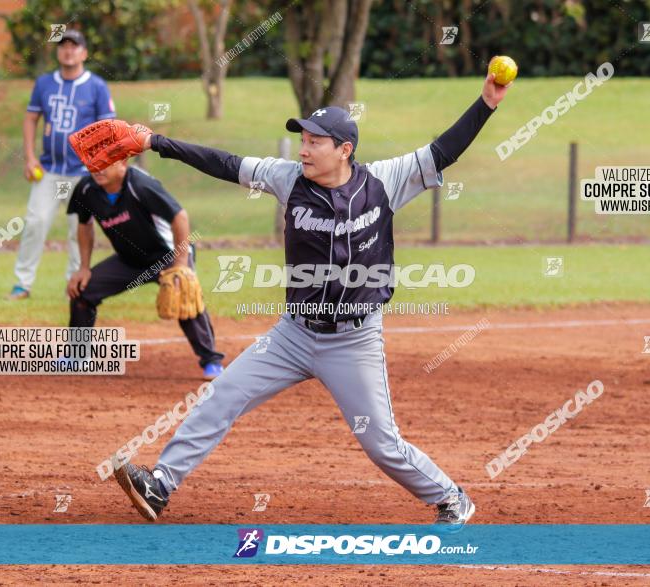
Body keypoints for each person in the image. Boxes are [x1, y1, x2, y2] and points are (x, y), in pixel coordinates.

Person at [110, 74, 511, 526]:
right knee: (222, 395)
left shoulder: (384, 182)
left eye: (315, 141)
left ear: (344, 149)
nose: (303, 149)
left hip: (353, 342)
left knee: (380, 442)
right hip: (293, 335)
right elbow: (225, 163)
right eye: (302, 139)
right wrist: (156, 141)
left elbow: (445, 150)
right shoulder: (287, 179)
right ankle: (159, 485)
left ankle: (451, 497)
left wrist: (486, 103)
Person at [66, 159, 225, 379]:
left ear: (123, 164)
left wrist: (180, 265)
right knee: (83, 290)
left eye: (105, 163)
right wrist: (83, 268)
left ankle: (212, 361)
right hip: (129, 260)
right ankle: (77, 355)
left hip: (167, 256)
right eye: (94, 164)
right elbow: (85, 225)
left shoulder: (140, 185)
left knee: (183, 293)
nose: (98, 169)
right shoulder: (86, 189)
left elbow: (180, 217)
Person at [9, 29, 116, 300]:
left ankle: (75, 284)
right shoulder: (44, 83)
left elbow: (108, 128)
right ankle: (22, 283)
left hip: (82, 173)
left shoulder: (96, 86)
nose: (68, 50)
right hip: (48, 170)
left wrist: (103, 165)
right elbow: (31, 118)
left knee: (77, 229)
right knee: (35, 223)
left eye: (74, 46)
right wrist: (30, 157)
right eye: (63, 46)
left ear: (84, 53)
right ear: (58, 51)